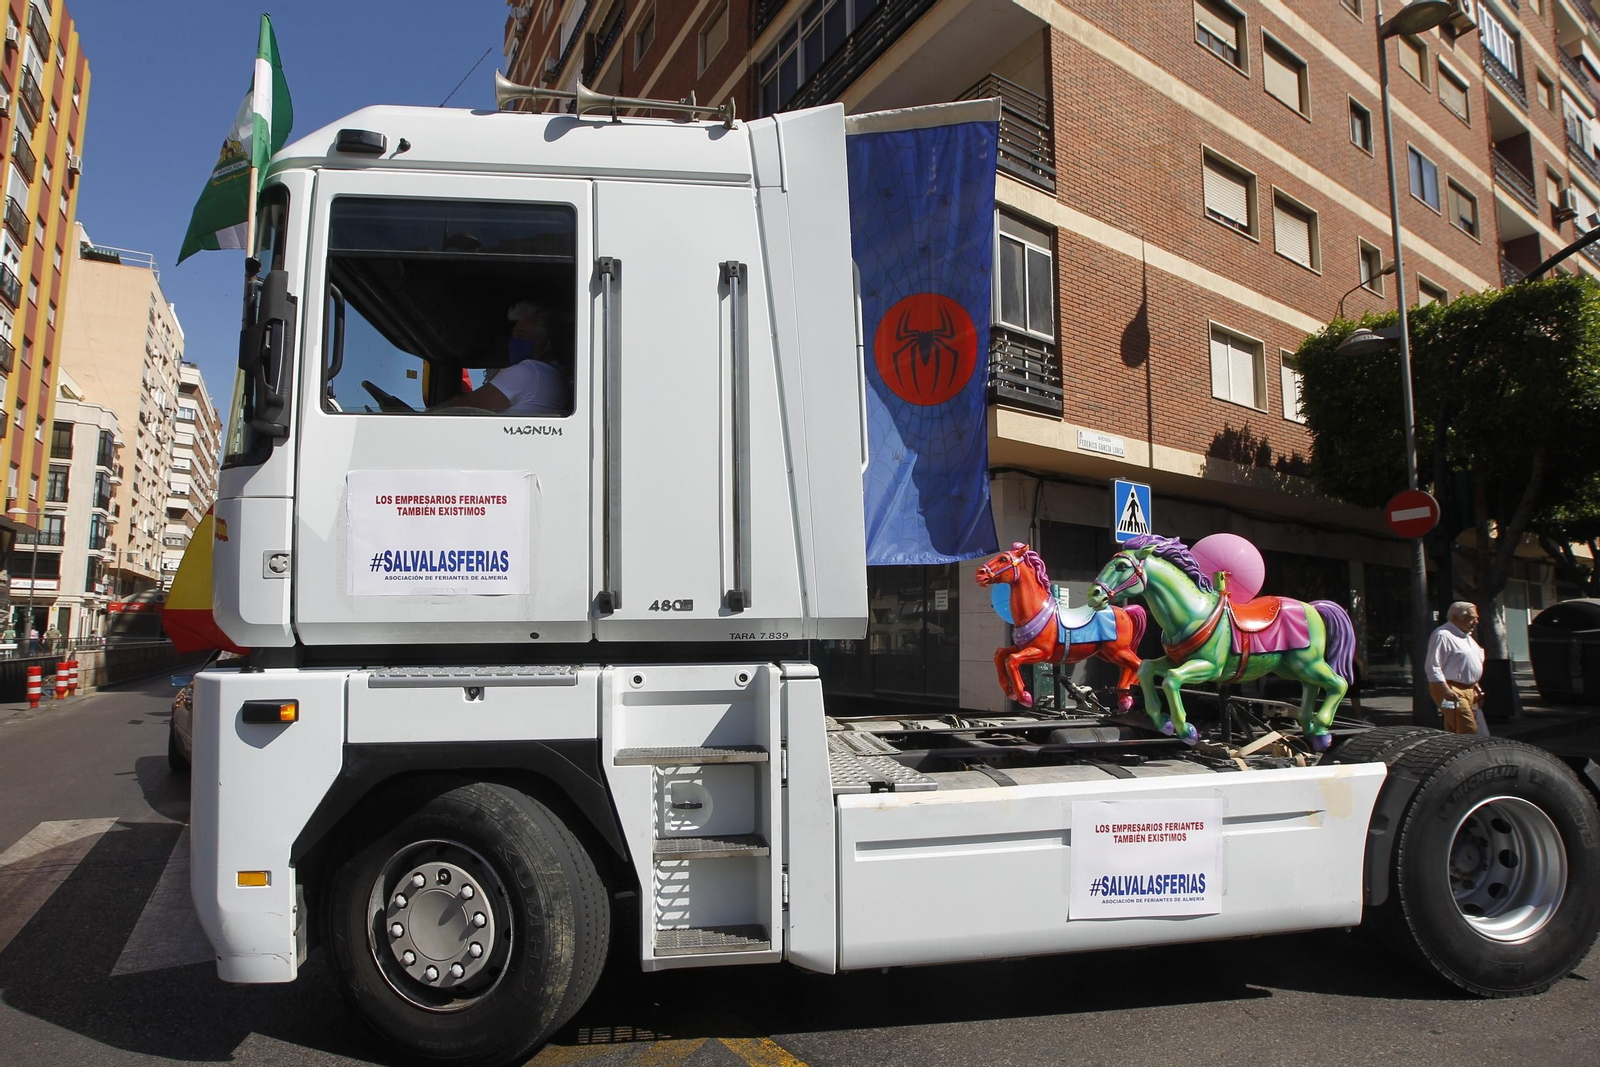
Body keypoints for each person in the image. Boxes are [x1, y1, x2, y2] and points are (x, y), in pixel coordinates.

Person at [434, 302, 568, 417]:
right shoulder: (555, 376)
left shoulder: (531, 371)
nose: (514, 342)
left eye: (521, 336)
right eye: (513, 335)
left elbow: (463, 407)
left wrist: (424, 416)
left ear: (544, 345)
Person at [1424, 601, 1488, 736]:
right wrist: (1445, 690)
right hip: (1449, 689)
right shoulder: (1442, 635)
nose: (1476, 622)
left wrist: (1476, 688)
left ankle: (1451, 752)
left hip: (1468, 689)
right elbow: (1433, 665)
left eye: (1477, 618)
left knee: (1454, 725)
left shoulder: (1467, 637)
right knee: (1468, 727)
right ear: (1456, 618)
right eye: (1472, 618)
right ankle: (1472, 754)